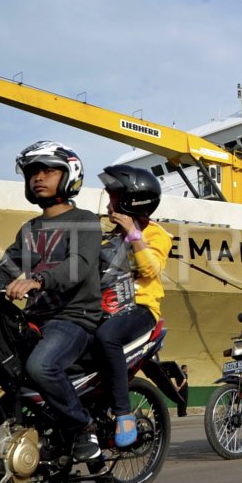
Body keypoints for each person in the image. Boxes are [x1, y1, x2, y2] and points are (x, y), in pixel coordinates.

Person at [0, 140, 104, 461]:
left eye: (47, 171)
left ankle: (83, 427)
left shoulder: (84, 220)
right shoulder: (29, 229)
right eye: (32, 173)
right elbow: (6, 268)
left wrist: (38, 280)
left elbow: (78, 266)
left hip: (73, 318)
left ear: (68, 175)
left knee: (41, 366)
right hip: (35, 320)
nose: (38, 178)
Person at [92, 164, 174, 446]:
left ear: (131, 199)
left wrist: (133, 234)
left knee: (108, 337)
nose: (109, 200)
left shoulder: (156, 235)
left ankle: (124, 414)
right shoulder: (106, 233)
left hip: (139, 309)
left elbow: (151, 269)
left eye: (114, 194)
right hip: (104, 307)